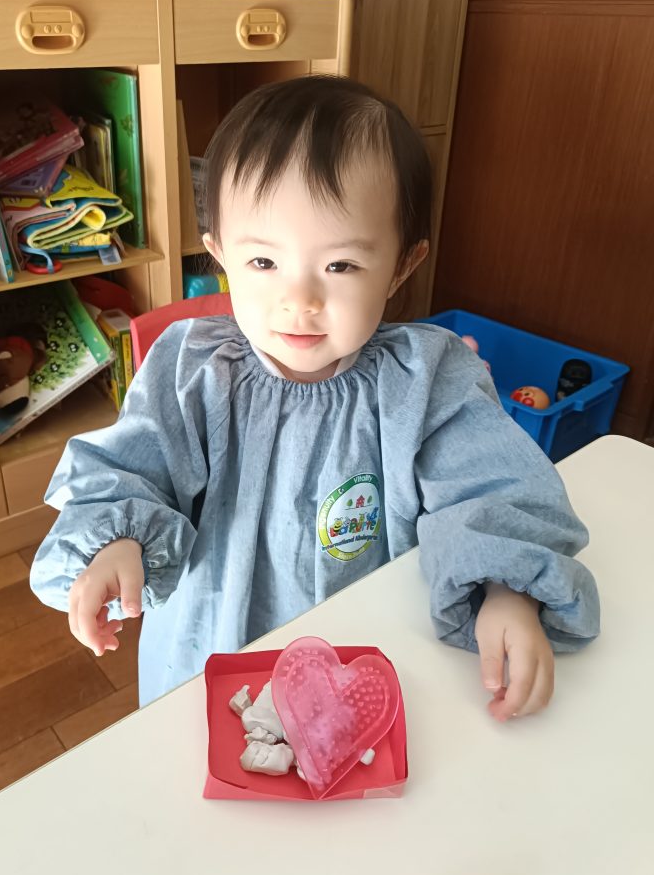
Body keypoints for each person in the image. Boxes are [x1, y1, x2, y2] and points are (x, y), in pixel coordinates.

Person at [30, 75, 599, 720]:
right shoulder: (192, 369)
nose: (299, 300)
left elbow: (490, 488)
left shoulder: (425, 379)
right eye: (263, 263)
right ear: (221, 255)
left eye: (341, 266)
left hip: (364, 662)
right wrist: (117, 540)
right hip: (211, 651)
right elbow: (133, 467)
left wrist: (507, 590)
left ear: (401, 266)